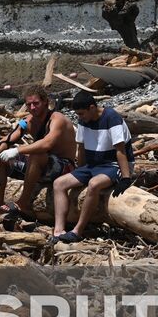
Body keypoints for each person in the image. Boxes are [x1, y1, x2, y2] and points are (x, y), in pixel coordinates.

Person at [50, 91, 135, 243]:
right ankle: (58, 230)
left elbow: (120, 150)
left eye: (81, 113)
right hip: (92, 165)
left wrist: (126, 177)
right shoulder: (84, 120)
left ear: (92, 108)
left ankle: (77, 231)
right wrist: (79, 172)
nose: (80, 117)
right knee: (59, 183)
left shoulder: (112, 118)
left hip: (112, 164)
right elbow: (81, 148)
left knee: (94, 184)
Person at [0, 85, 75, 223]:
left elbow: (47, 143)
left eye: (36, 103)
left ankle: (23, 203)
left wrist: (18, 150)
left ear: (45, 102)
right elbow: (9, 138)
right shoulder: (27, 121)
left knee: (36, 154)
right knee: (1, 158)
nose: (33, 108)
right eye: (29, 104)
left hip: (63, 167)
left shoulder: (57, 119)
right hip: (40, 165)